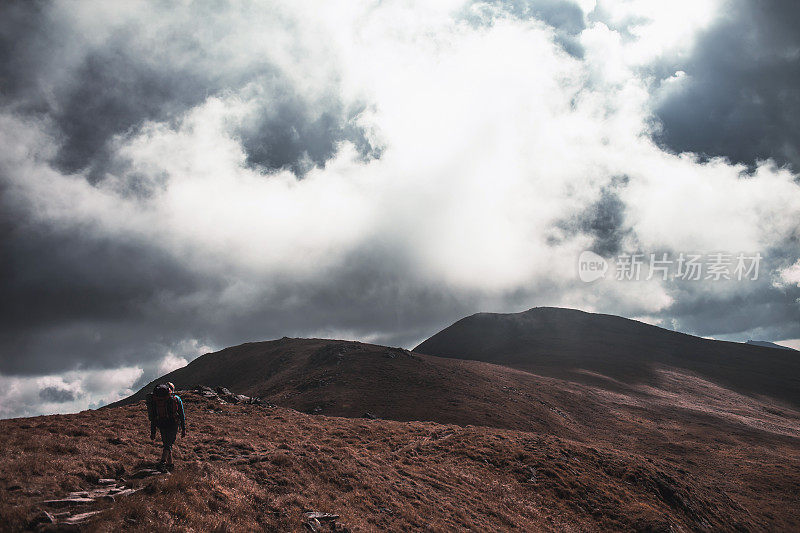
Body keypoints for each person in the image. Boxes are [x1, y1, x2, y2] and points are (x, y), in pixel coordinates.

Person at [146, 381, 186, 471]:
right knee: (168, 444)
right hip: (173, 423)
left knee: (167, 444)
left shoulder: (155, 400)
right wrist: (183, 429)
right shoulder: (176, 399)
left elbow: (153, 417)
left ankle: (170, 465)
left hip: (161, 423)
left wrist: (153, 432)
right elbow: (182, 414)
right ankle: (163, 462)